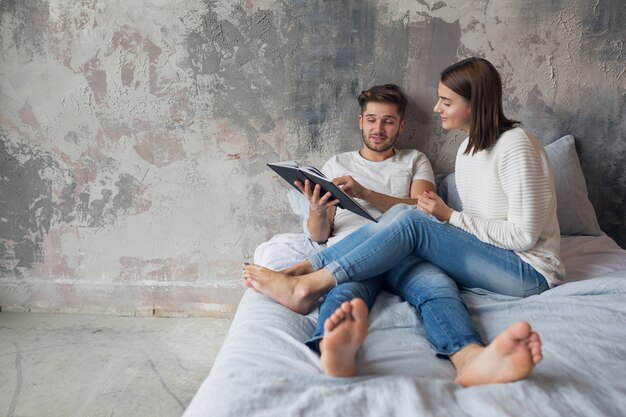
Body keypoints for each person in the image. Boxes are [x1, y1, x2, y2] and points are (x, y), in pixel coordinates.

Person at [244, 57, 565, 387]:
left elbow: (523, 236)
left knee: (411, 225)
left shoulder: (515, 144)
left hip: (528, 270)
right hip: (477, 254)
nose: (438, 108)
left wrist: (448, 216)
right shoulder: (468, 149)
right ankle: (466, 358)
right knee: (414, 278)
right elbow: (473, 226)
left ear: (476, 103)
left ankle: (305, 280)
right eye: (440, 99)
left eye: (447, 101)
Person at [245, 83, 437, 371]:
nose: (379, 128)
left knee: (438, 289)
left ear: (401, 125)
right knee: (344, 294)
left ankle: (466, 351)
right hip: (351, 251)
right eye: (371, 119)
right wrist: (318, 209)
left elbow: (425, 211)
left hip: (403, 251)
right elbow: (319, 236)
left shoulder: (414, 159)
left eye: (388, 121)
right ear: (361, 121)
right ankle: (329, 349)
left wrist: (367, 193)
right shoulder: (338, 163)